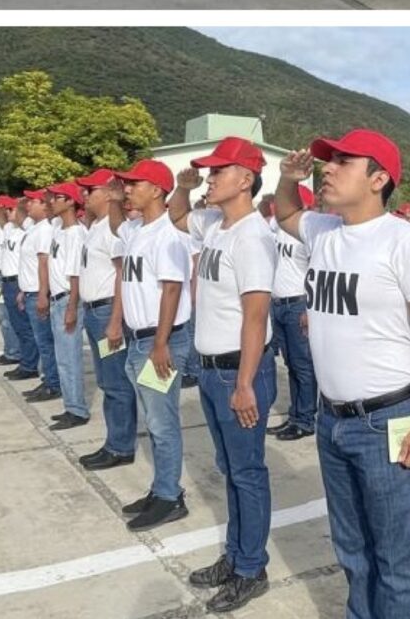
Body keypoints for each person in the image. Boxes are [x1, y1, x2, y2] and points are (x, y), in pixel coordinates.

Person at [272, 130, 410, 619]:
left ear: (378, 179)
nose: (327, 168)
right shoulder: (325, 230)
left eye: (343, 161)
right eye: (328, 161)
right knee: (352, 551)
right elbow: (286, 213)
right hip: (330, 420)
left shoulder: (405, 242)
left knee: (395, 560)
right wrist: (289, 179)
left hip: (386, 421)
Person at [171, 139, 278, 611]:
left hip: (239, 370)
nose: (209, 178)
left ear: (246, 180)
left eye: (218, 171)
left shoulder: (252, 236)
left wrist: (245, 385)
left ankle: (251, 568)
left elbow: (256, 316)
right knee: (231, 471)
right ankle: (235, 556)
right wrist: (182, 185)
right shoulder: (215, 224)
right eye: (207, 171)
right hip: (214, 371)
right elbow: (176, 217)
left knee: (248, 473)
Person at [108, 159, 193, 530]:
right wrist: (114, 200)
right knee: (154, 419)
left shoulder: (168, 235)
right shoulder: (137, 229)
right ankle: (161, 488)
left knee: (162, 423)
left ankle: (170, 497)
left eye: (135, 184)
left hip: (162, 339)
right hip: (139, 338)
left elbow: (172, 289)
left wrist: (161, 344)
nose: (128, 189)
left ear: (157, 190)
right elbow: (116, 227)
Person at [75, 168, 137, 468]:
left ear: (108, 192)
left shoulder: (113, 231)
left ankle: (121, 446)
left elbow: (121, 274)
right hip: (93, 311)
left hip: (106, 312)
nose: (85, 195)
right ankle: (114, 441)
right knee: (106, 380)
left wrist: (115, 320)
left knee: (115, 382)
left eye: (91, 190)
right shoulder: (96, 227)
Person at [263, 186, 317, 440]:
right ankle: (295, 415)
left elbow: (317, 275)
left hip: (298, 304)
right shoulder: (275, 229)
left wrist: (309, 309)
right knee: (291, 365)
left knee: (302, 366)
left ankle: (305, 419)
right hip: (278, 304)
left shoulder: (307, 235)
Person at [44, 181, 91, 430]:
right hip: (56, 299)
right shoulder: (59, 230)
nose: (52, 201)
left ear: (72, 201)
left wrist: (72, 307)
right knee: (62, 357)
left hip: (66, 299)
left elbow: (75, 275)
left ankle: (77, 409)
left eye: (59, 197)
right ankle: (70, 404)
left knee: (69, 357)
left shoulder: (76, 234)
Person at [18, 190, 60, 403]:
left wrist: (42, 294)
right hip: (31, 291)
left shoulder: (45, 230)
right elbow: (28, 264)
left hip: (38, 293)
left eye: (33, 201)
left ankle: (53, 383)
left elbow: (43, 263)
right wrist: (23, 290)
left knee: (45, 342)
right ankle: (48, 378)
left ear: (44, 206)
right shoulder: (34, 229)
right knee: (41, 340)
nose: (28, 205)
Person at [0, 197, 40, 381]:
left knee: (24, 327)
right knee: (16, 324)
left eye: (11, 209)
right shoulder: (11, 229)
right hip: (7, 282)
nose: (8, 213)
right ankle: (24, 360)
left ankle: (29, 364)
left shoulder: (28, 229)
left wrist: (22, 207)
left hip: (17, 282)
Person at [0, 197, 23, 365]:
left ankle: (13, 351)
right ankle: (11, 349)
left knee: (5, 316)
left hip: (1, 276)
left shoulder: (5, 229)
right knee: (4, 316)